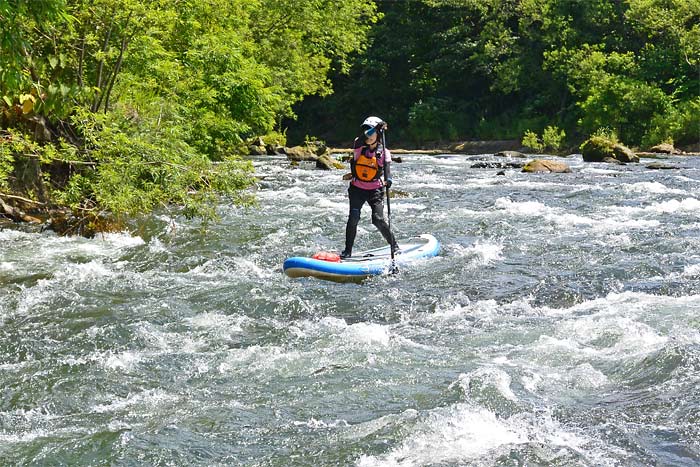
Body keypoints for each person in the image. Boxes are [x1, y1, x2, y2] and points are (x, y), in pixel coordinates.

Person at [340, 116, 398, 259]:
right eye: (367, 131)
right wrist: (376, 128)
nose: (369, 135)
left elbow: (387, 171)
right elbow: (362, 137)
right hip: (357, 189)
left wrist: (388, 180)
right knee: (353, 218)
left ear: (378, 135)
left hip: (375, 190)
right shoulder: (359, 146)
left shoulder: (384, 151)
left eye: (372, 132)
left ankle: (394, 245)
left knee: (377, 219)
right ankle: (348, 251)